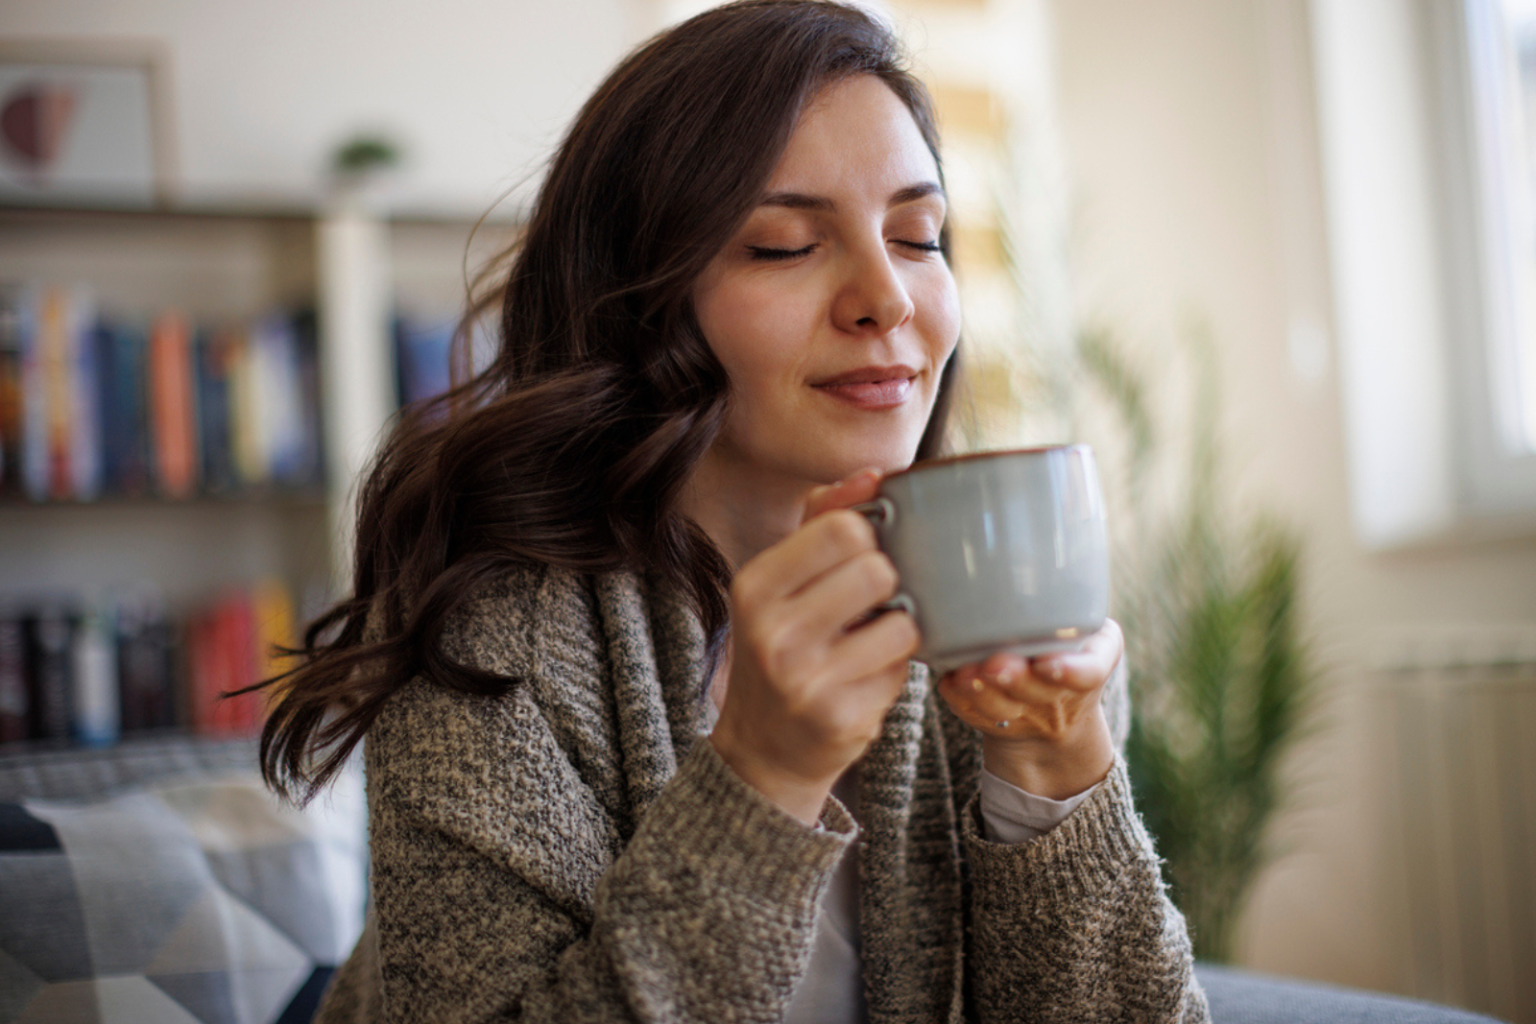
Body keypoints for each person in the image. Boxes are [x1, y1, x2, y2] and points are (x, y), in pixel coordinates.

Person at [258, 2, 1211, 1021]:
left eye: (917, 234)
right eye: (785, 245)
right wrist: (762, 775)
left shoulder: (999, 605)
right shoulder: (494, 644)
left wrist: (1054, 773)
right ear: (641, 302)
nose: (885, 297)